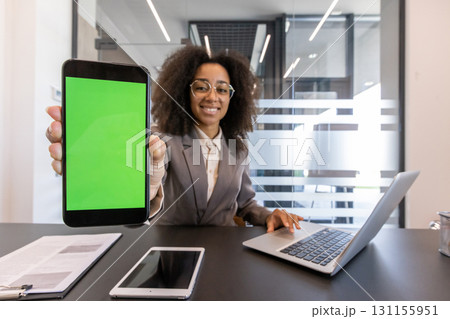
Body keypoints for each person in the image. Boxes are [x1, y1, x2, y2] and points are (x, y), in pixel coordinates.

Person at [46, 45, 302, 232]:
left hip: (226, 256)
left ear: (233, 98)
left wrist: (270, 215)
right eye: (201, 87)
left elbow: (245, 203)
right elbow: (141, 199)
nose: (213, 97)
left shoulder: (239, 149)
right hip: (169, 251)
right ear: (184, 92)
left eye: (222, 89)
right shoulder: (160, 140)